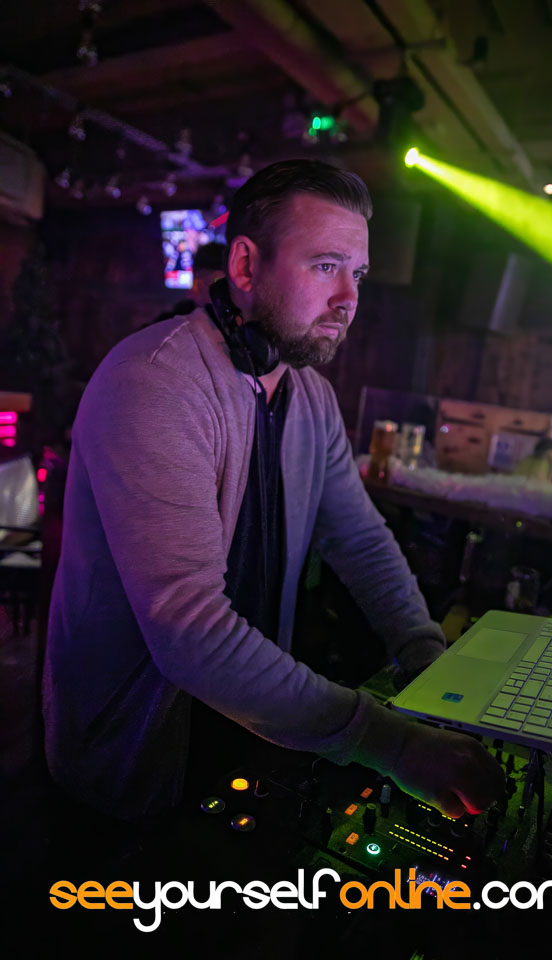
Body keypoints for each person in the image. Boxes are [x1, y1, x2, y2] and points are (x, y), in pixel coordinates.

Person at [43, 159, 503, 824]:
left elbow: (361, 539)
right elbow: (190, 630)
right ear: (245, 267)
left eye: (357, 274)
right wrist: (393, 743)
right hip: (135, 762)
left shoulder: (309, 396)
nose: (348, 298)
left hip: (248, 735)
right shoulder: (154, 383)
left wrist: (424, 654)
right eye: (325, 265)